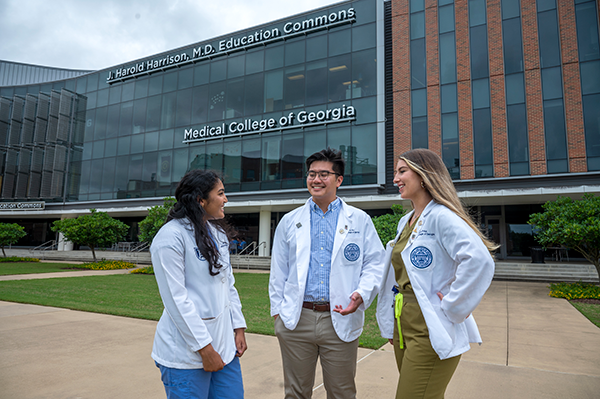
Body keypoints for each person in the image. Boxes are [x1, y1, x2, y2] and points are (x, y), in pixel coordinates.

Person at [376, 149, 497, 399]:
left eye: (402, 171)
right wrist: (393, 325)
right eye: (395, 173)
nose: (395, 179)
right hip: (403, 321)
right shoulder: (407, 221)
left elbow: (479, 261)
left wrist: (453, 305)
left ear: (423, 175)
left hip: (429, 326)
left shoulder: (442, 216)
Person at [269, 148, 385, 399]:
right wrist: (278, 314)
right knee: (296, 393)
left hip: (339, 316)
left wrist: (361, 294)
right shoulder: (290, 220)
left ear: (339, 180)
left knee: (341, 392)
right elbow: (278, 271)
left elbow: (375, 263)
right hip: (297, 320)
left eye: (324, 174)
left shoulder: (359, 219)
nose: (316, 180)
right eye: (312, 174)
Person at [150, 169, 247, 399]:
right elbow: (176, 299)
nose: (226, 199)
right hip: (187, 353)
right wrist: (204, 348)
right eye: (221, 193)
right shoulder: (170, 237)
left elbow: (228, 285)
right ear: (200, 200)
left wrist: (238, 326)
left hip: (225, 347)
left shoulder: (217, 234)